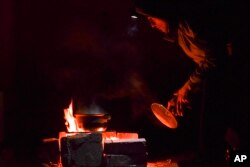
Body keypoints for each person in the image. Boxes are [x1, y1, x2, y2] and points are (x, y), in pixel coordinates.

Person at [134, 1, 234, 166]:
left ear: (164, 12)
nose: (151, 24)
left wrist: (187, 88)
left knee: (217, 137)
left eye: (152, 18)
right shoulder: (180, 34)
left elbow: (216, 57)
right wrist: (186, 91)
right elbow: (204, 63)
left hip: (229, 81)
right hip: (215, 83)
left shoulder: (189, 25)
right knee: (219, 134)